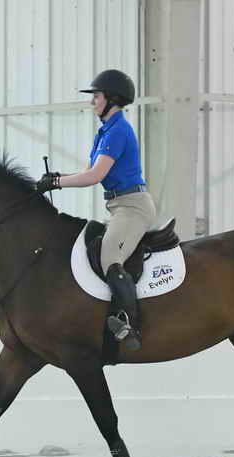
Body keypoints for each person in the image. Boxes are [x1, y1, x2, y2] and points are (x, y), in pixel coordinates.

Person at [36, 69, 156, 351]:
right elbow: (89, 171)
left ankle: (129, 325)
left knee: (109, 257)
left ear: (112, 99)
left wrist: (56, 183)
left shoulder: (119, 131)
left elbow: (95, 176)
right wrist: (59, 176)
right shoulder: (105, 132)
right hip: (118, 206)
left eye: (97, 96)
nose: (92, 102)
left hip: (133, 207)